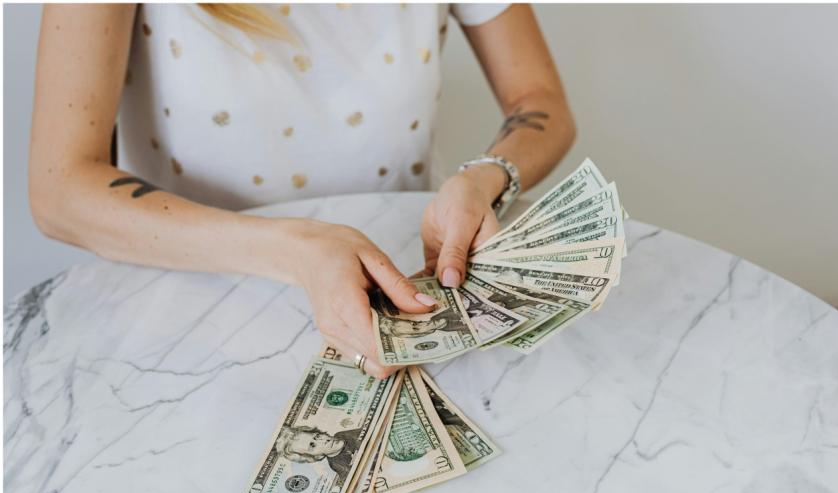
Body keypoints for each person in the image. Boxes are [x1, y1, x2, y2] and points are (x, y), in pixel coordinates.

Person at [29, 4, 576, 379]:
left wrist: (484, 177)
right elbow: (60, 191)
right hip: (182, 322)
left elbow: (540, 99)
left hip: (395, 291)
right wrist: (298, 249)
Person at [274, 425, 360, 480]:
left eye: (317, 436)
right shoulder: (336, 465)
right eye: (313, 445)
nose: (323, 440)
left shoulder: (341, 435)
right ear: (317, 456)